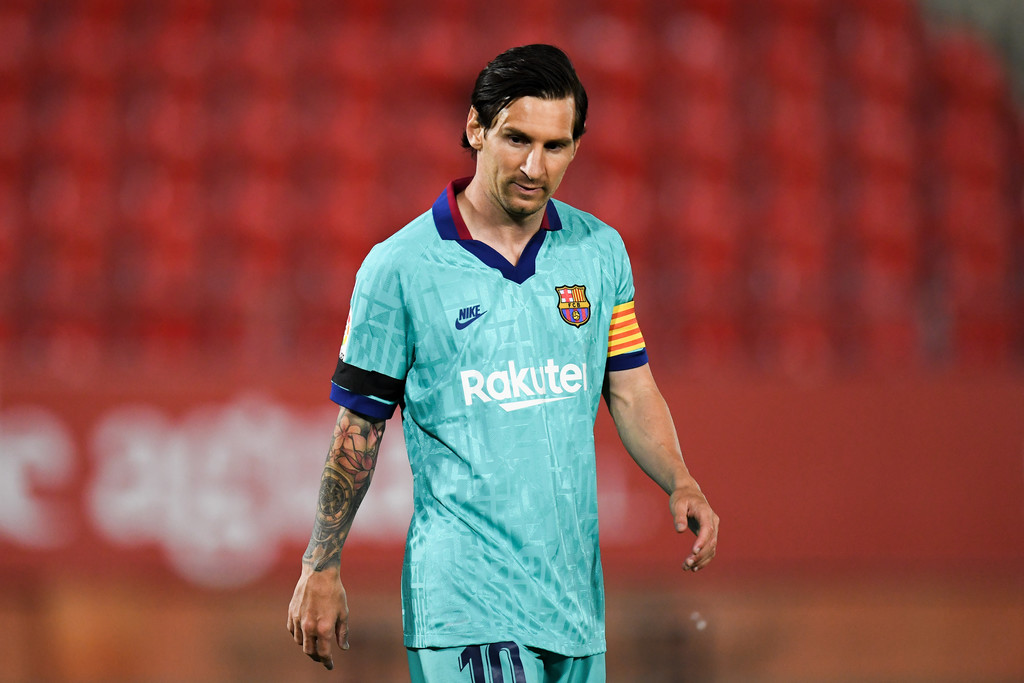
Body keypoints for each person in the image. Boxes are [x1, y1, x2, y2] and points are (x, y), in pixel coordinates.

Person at [287, 43, 719, 682]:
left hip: (573, 604)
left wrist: (680, 479)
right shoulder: (399, 268)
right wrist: (320, 565)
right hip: (464, 603)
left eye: (555, 146)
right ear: (475, 128)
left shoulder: (599, 253)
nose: (533, 165)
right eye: (517, 139)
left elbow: (629, 388)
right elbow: (359, 429)